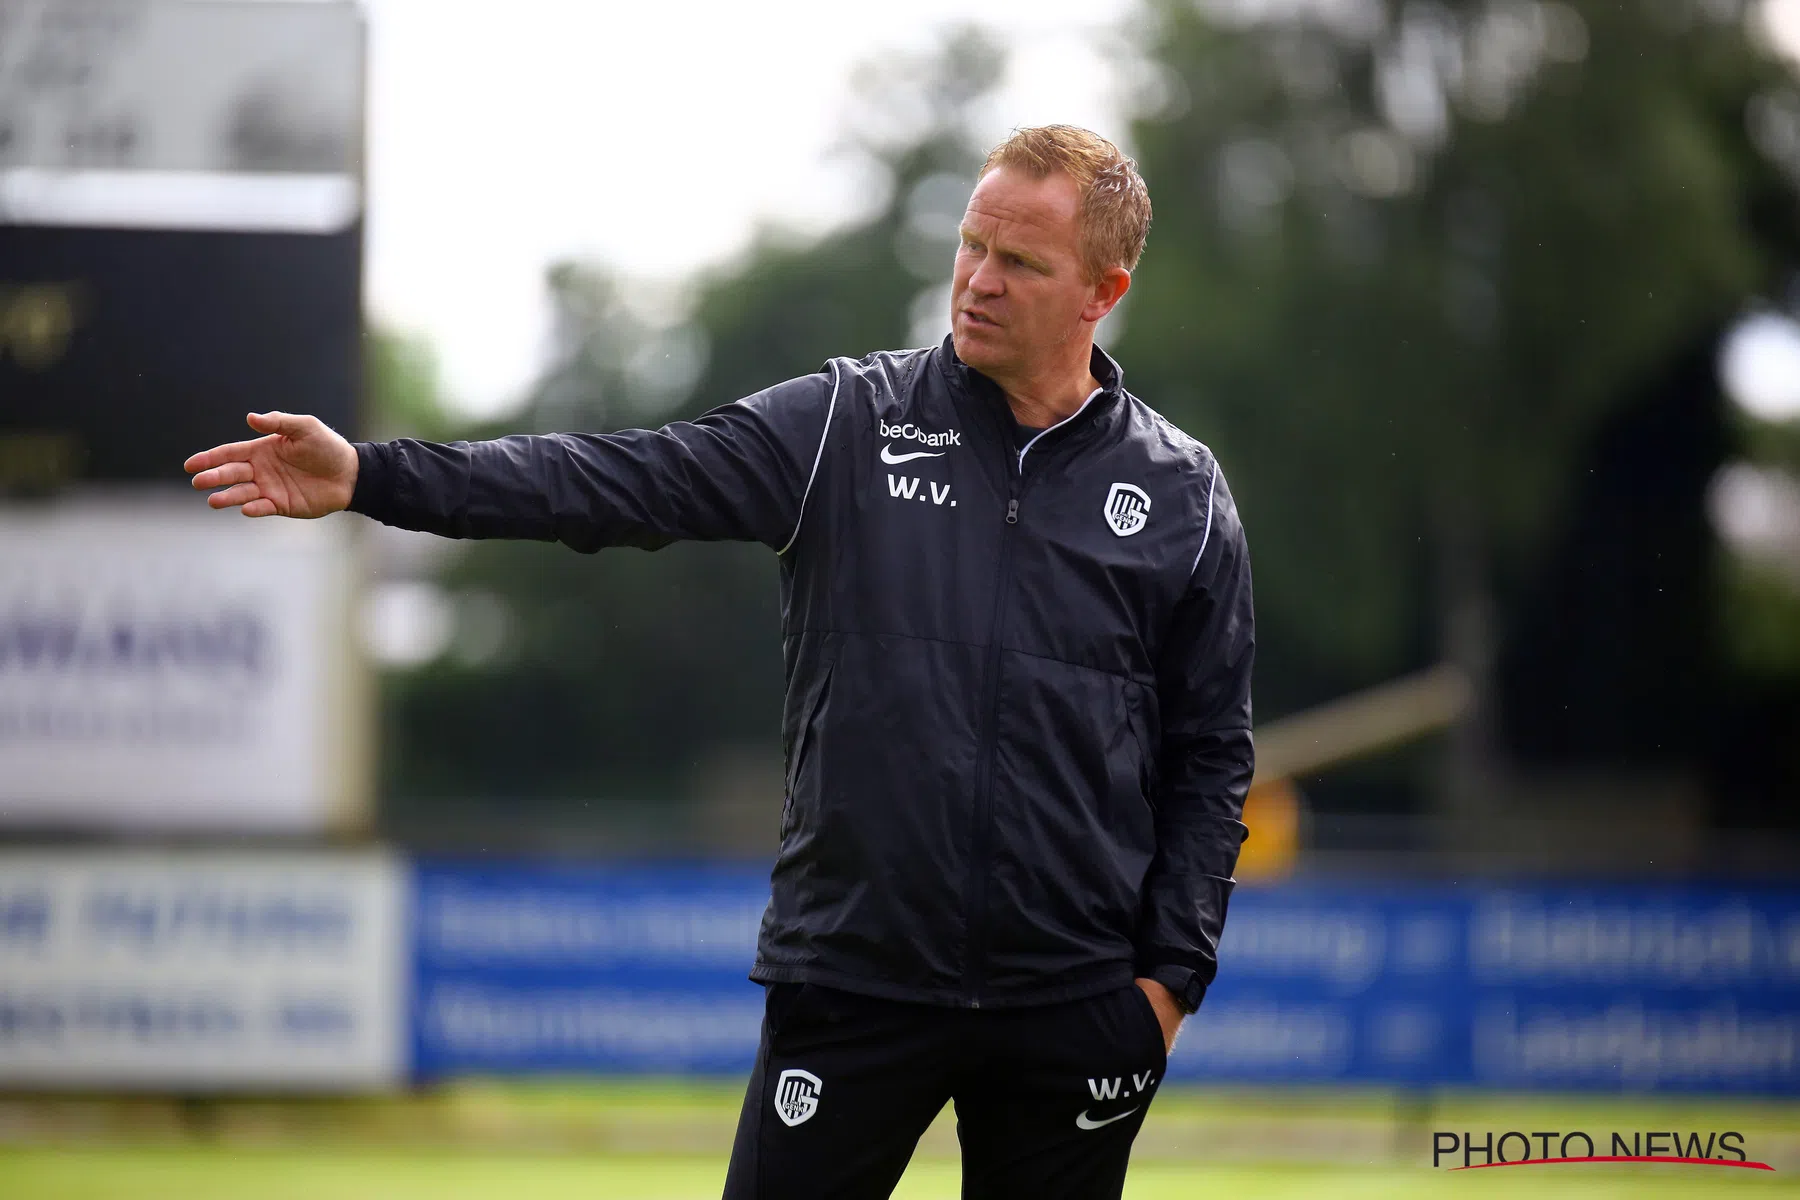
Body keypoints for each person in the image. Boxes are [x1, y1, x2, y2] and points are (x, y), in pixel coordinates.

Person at [185, 125, 1253, 1199]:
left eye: (1020, 263)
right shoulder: (848, 421)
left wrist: (1166, 987)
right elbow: (619, 480)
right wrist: (374, 475)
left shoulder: (1184, 496)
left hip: (1071, 1005)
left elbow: (1211, 759)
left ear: (1101, 292)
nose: (977, 279)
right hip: (856, 980)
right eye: (972, 244)